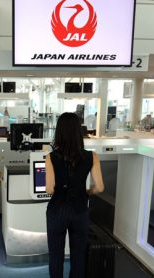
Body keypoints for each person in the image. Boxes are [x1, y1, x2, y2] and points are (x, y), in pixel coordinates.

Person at [45, 112, 104, 278]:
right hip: (80, 211)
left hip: (57, 211)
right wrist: (87, 192)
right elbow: (99, 187)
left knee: (55, 256)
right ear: (79, 131)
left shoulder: (51, 157)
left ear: (59, 132)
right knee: (78, 257)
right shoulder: (92, 156)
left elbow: (50, 189)